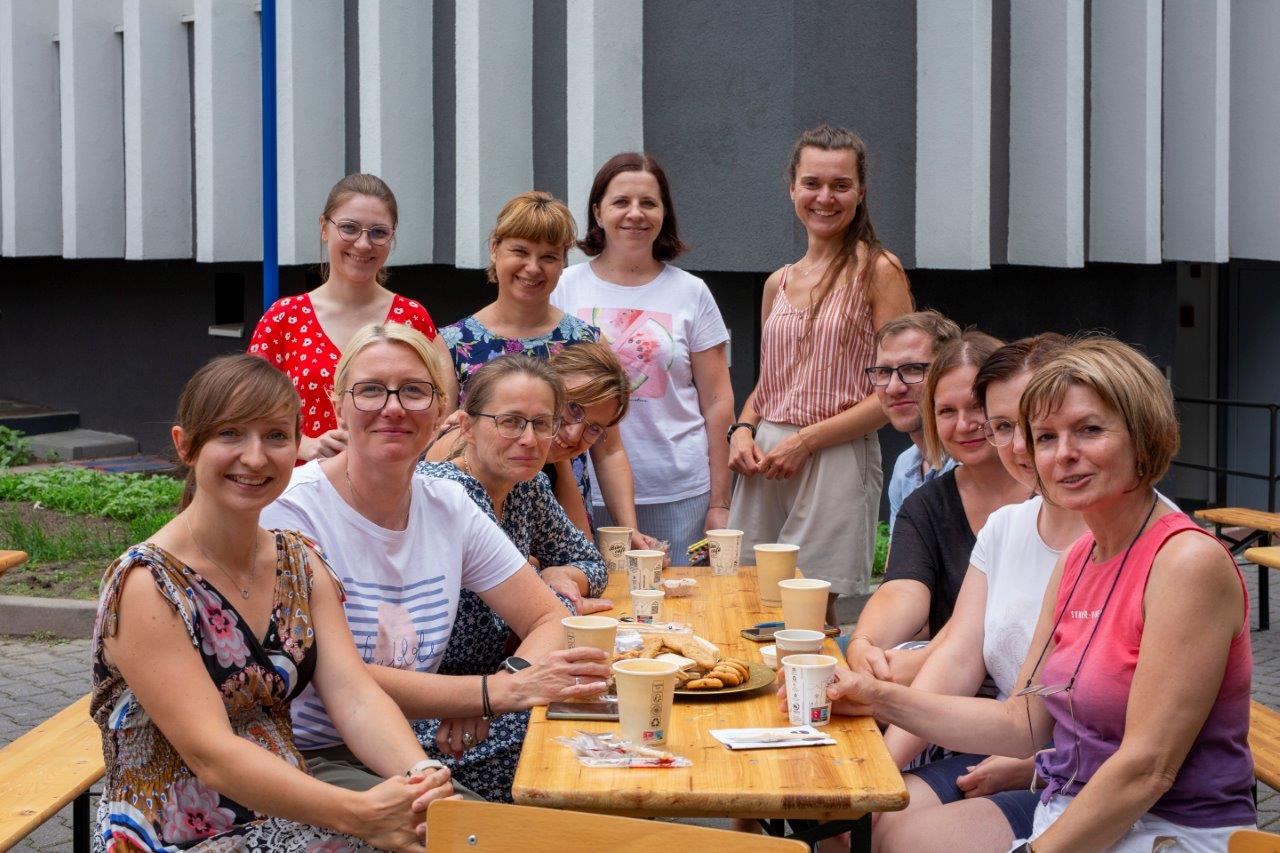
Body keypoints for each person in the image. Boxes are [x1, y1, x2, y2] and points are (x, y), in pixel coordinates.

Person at [813, 338, 1256, 851]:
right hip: (1067, 800)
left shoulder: (1185, 562)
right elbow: (1021, 722)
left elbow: (1147, 769)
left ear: (1144, 434)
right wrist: (876, 696)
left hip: (1171, 828)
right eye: (1044, 436)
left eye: (1089, 430)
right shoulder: (1078, 558)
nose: (1062, 453)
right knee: (884, 836)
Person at [91, 354, 455, 852]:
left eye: (276, 436)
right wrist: (362, 815)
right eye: (230, 434)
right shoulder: (148, 584)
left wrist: (421, 778)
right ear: (185, 446)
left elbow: (355, 696)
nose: (256, 457)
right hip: (176, 834)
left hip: (289, 809)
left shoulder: (299, 561)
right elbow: (211, 755)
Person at [259, 324, 610, 793]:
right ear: (337, 404)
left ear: (441, 408)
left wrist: (507, 682)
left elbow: (549, 617)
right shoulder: (292, 511)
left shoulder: (447, 504)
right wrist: (488, 694)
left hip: (404, 743)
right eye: (370, 390)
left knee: (584, 755)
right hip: (305, 756)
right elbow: (335, 676)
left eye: (413, 391)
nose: (393, 407)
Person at [874, 334, 1077, 851]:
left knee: (907, 839)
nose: (1020, 445)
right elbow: (958, 656)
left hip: (1076, 771)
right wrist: (878, 770)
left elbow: (1139, 746)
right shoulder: (1007, 526)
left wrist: (1036, 765)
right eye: (1004, 426)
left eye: (1038, 425)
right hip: (1017, 743)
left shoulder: (1120, 540)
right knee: (872, 817)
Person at [728, 125, 913, 625]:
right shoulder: (777, 282)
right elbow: (769, 385)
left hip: (834, 452)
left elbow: (898, 391)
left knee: (810, 609)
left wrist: (806, 441)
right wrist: (742, 429)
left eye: (840, 185)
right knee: (750, 597)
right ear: (792, 188)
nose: (825, 198)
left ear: (861, 192)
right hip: (768, 455)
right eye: (812, 183)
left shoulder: (879, 270)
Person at [415, 356, 610, 801]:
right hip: (431, 709)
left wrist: (562, 575)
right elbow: (512, 617)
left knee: (600, 702)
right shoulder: (446, 492)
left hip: (496, 688)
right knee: (583, 734)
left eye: (542, 424)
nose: (529, 439)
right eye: (510, 422)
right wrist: (550, 591)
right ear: (466, 427)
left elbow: (590, 563)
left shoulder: (527, 484)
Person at [440, 191, 657, 552]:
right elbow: (441, 443)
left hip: (567, 519)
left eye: (549, 257)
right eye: (520, 251)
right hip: (482, 522)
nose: (533, 268)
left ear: (562, 264)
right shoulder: (452, 343)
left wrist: (628, 529)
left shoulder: (586, 339)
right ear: (495, 249)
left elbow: (609, 450)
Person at [551, 152, 735, 557]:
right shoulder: (563, 287)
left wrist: (720, 502)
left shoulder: (692, 293)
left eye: (648, 202)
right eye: (621, 202)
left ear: (664, 213)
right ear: (598, 212)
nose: (635, 213)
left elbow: (718, 401)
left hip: (679, 491)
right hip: (583, 488)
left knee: (679, 596)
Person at [847, 331, 1029, 683]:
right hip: (948, 683)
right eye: (947, 411)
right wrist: (864, 643)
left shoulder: (1054, 499)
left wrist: (916, 664)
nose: (964, 425)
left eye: (977, 406)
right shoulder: (928, 504)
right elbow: (904, 587)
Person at [249, 173, 457, 462]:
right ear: (324, 228)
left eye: (378, 232)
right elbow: (248, 407)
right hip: (303, 481)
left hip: (388, 480)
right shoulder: (283, 318)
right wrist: (302, 444)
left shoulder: (411, 317)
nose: (363, 244)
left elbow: (439, 404)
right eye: (349, 228)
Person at [871, 310, 962, 532]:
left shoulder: (975, 461)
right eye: (884, 372)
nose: (894, 388)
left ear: (950, 373)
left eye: (913, 369)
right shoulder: (905, 466)